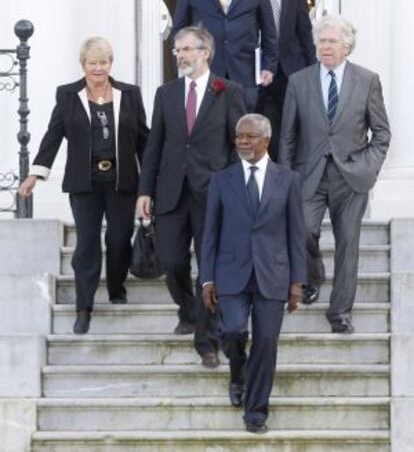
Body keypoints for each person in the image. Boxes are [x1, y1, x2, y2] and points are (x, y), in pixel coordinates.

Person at [18, 37, 148, 335]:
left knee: (118, 239)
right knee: (87, 244)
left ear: (110, 64)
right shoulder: (67, 95)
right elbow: (53, 136)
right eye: (93, 63)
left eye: (104, 62)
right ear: (83, 65)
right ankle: (83, 306)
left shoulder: (129, 94)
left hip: (122, 182)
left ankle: (116, 287)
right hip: (84, 183)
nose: (99, 68)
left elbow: (143, 139)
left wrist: (151, 183)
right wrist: (35, 174)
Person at [137, 25, 246, 369]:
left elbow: (238, 145)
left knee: (209, 268)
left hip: (213, 194)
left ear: (206, 52)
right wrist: (145, 191)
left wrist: (231, 187)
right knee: (171, 261)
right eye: (177, 50)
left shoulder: (228, 91)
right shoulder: (165, 93)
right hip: (170, 192)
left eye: (187, 49)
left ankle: (207, 342)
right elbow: (154, 146)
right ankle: (188, 310)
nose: (181, 56)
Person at [279, 15, 391, 333]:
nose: (324, 47)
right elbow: (287, 137)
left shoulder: (367, 80)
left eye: (331, 42)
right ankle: (313, 278)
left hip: (352, 177)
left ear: (346, 46)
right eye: (321, 41)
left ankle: (340, 311)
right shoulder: (299, 81)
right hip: (308, 176)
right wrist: (287, 179)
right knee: (302, 232)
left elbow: (382, 134)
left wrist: (369, 168)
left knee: (348, 243)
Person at [201, 113, 306, 434]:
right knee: (232, 331)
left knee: (267, 343)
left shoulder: (288, 180)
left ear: (266, 140)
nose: (242, 142)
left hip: (273, 274)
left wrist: (297, 281)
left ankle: (256, 411)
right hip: (230, 272)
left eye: (249, 137)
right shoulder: (222, 180)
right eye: (238, 137)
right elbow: (210, 233)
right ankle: (237, 371)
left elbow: (296, 234)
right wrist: (207, 277)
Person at [173, 0, 278, 111]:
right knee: (207, 130)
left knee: (242, 131)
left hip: (245, 71)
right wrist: (184, 63)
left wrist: (268, 66)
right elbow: (180, 27)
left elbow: (269, 30)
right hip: (204, 69)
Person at [253, 0, 316, 160]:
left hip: (292, 67)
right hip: (258, 69)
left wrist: (313, 69)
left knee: (291, 130)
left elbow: (303, 27)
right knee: (261, 128)